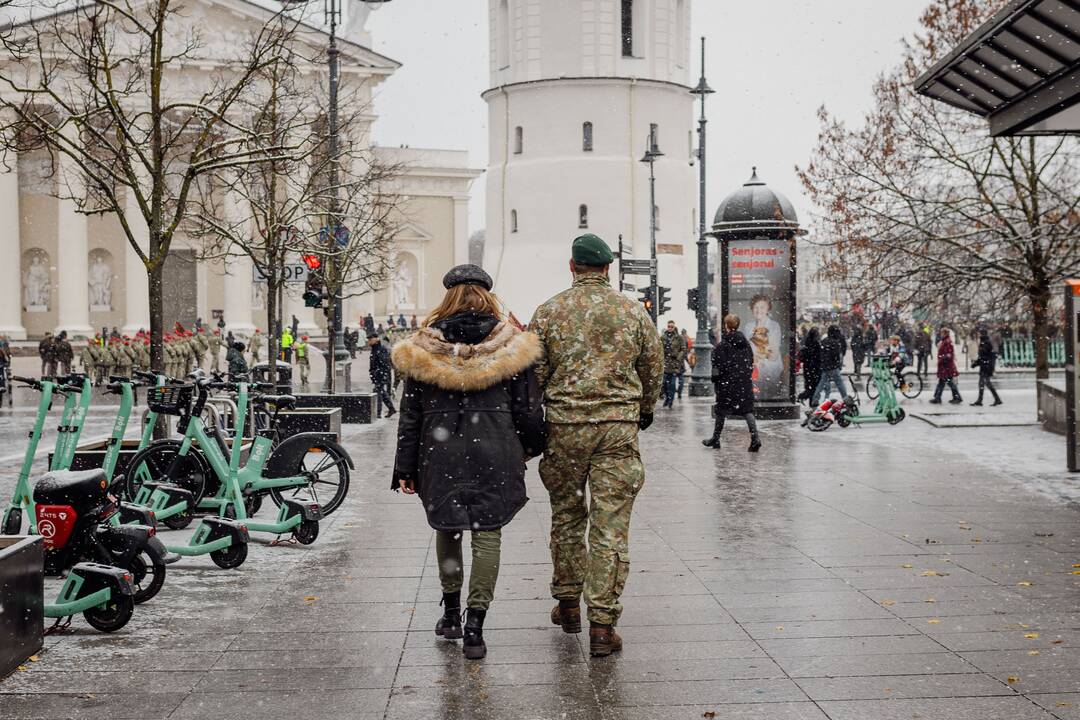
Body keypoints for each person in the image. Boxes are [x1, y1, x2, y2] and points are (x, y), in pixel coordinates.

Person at [392, 264, 545, 661]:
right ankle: (476, 626)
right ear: (487, 296)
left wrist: (405, 467)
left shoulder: (424, 347)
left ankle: (450, 614)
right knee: (488, 531)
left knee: (449, 526)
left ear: (449, 297)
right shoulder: (512, 345)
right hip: (495, 447)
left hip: (439, 451)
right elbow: (529, 410)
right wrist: (527, 447)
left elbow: (411, 415)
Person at [530, 233, 663, 658]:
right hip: (616, 430)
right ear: (608, 268)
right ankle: (602, 626)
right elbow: (653, 364)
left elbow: (534, 374)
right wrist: (642, 407)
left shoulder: (548, 312)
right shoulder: (632, 311)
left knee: (567, 515)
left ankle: (568, 605)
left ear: (572, 267)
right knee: (610, 526)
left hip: (566, 428)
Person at [703, 314, 761, 452]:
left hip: (727, 384)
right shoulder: (745, 344)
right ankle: (755, 438)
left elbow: (717, 367)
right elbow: (750, 362)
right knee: (747, 410)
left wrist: (717, 381)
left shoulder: (722, 345)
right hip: (744, 383)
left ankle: (715, 439)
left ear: (726, 326)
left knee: (721, 411)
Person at [811, 325, 848, 406]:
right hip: (833, 366)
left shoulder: (824, 341)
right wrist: (838, 364)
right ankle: (845, 398)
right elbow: (836, 356)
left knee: (821, 383)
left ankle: (815, 399)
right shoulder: (835, 342)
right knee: (839, 383)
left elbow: (821, 354)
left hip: (825, 366)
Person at [929, 327, 962, 404]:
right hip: (945, 366)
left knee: (949, 382)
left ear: (945, 333)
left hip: (946, 367)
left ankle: (957, 397)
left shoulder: (947, 342)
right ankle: (938, 398)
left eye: (942, 333)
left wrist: (942, 359)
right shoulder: (945, 341)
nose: (941, 334)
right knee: (942, 382)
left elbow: (949, 355)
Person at [367, 331, 395, 418]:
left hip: (380, 375)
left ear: (376, 339)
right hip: (377, 375)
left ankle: (378, 413)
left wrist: (380, 374)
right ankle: (391, 408)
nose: (369, 341)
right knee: (381, 392)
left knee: (378, 392)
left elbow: (385, 364)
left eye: (370, 339)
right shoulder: (374, 349)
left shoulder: (381, 349)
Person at [971, 328, 1001, 407]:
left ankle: (995, 399)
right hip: (985, 366)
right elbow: (983, 356)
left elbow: (984, 356)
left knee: (985, 383)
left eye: (979, 333)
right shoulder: (984, 342)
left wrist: (976, 363)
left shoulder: (985, 343)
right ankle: (981, 400)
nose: (978, 335)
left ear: (981, 334)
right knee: (983, 383)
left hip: (986, 367)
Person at [660, 320, 686, 408]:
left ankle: (670, 400)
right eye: (669, 326)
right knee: (664, 384)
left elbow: (683, 349)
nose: (670, 328)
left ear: (674, 327)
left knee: (672, 384)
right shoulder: (663, 337)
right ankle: (667, 397)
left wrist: (678, 358)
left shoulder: (679, 337)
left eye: (671, 327)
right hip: (665, 363)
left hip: (674, 364)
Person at [797, 326, 822, 405]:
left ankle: (809, 400)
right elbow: (819, 357)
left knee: (809, 386)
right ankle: (808, 400)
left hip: (807, 368)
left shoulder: (807, 343)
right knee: (814, 386)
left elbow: (803, 357)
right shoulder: (817, 344)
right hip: (815, 368)